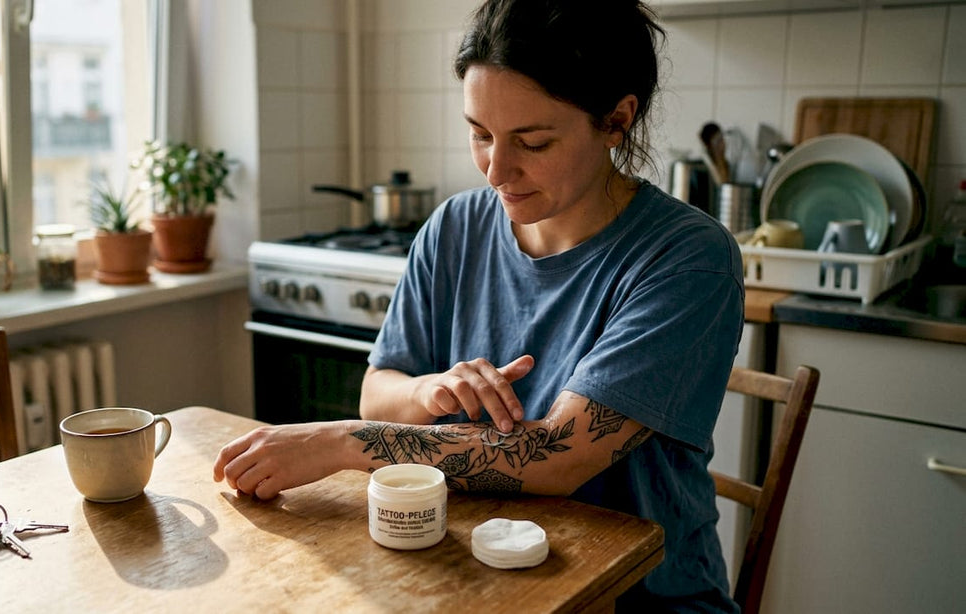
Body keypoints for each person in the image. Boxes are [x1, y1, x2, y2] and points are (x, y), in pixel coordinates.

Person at [214, 0, 744, 610]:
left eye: (533, 142)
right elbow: (378, 391)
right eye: (480, 134)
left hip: (639, 598)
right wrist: (430, 391)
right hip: (473, 572)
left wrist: (340, 443)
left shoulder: (688, 257)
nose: (496, 171)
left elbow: (557, 457)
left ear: (616, 120)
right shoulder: (455, 227)